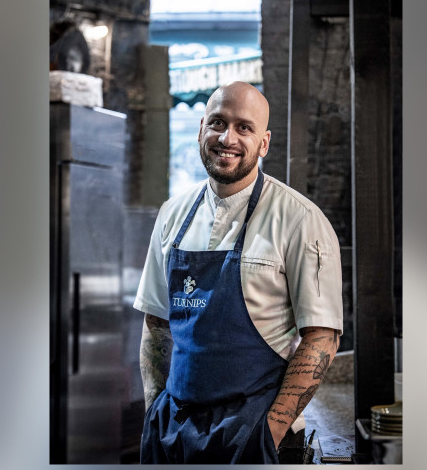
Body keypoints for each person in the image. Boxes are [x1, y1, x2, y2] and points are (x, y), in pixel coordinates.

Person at [134, 81, 343, 464]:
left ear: (264, 143)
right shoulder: (172, 213)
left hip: (252, 434)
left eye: (244, 127)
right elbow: (156, 323)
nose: (227, 138)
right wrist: (154, 411)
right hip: (172, 433)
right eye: (217, 122)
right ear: (201, 128)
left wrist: (269, 432)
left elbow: (321, 337)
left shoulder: (299, 220)